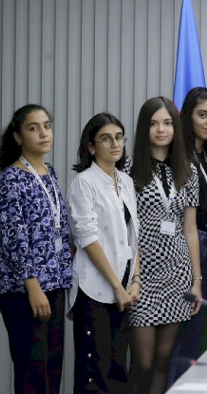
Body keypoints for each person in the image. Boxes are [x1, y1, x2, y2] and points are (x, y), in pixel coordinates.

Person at [0, 104, 71, 394]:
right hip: (23, 288)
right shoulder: (10, 179)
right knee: (32, 373)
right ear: (17, 136)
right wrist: (32, 286)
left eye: (47, 126)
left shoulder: (49, 173)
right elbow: (15, 238)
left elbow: (57, 229)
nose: (43, 133)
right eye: (33, 127)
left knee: (52, 370)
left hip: (54, 283)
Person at [128, 97, 202, 394]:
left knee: (162, 361)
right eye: (154, 123)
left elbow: (191, 230)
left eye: (168, 123)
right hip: (141, 274)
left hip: (177, 274)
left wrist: (196, 282)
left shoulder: (189, 171)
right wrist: (134, 276)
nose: (161, 129)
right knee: (143, 362)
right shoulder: (128, 170)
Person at [67, 113, 139, 394]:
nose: (114, 143)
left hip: (124, 287)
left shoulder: (126, 181)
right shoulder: (84, 183)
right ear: (92, 146)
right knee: (93, 376)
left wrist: (135, 281)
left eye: (119, 137)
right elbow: (88, 239)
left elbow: (135, 237)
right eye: (106, 138)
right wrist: (116, 286)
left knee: (117, 371)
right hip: (95, 290)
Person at [168, 87, 207, 384]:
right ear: (187, 116)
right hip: (184, 246)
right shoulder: (178, 154)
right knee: (177, 336)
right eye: (203, 115)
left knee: (193, 336)